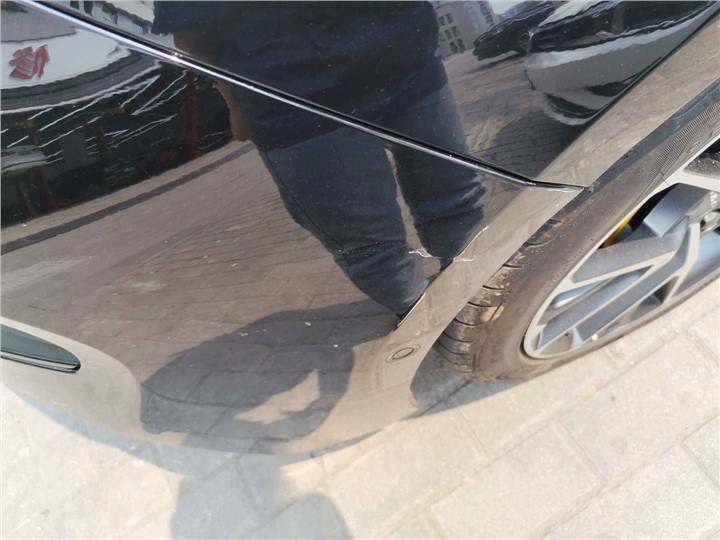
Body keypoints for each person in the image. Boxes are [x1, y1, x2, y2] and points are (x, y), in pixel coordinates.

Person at [153, 1, 486, 315]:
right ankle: (429, 319)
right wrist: (234, 100)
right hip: (293, 95)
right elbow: (189, 34)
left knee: (452, 206)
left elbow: (189, 37)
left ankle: (471, 299)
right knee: (377, 249)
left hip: (400, 54)